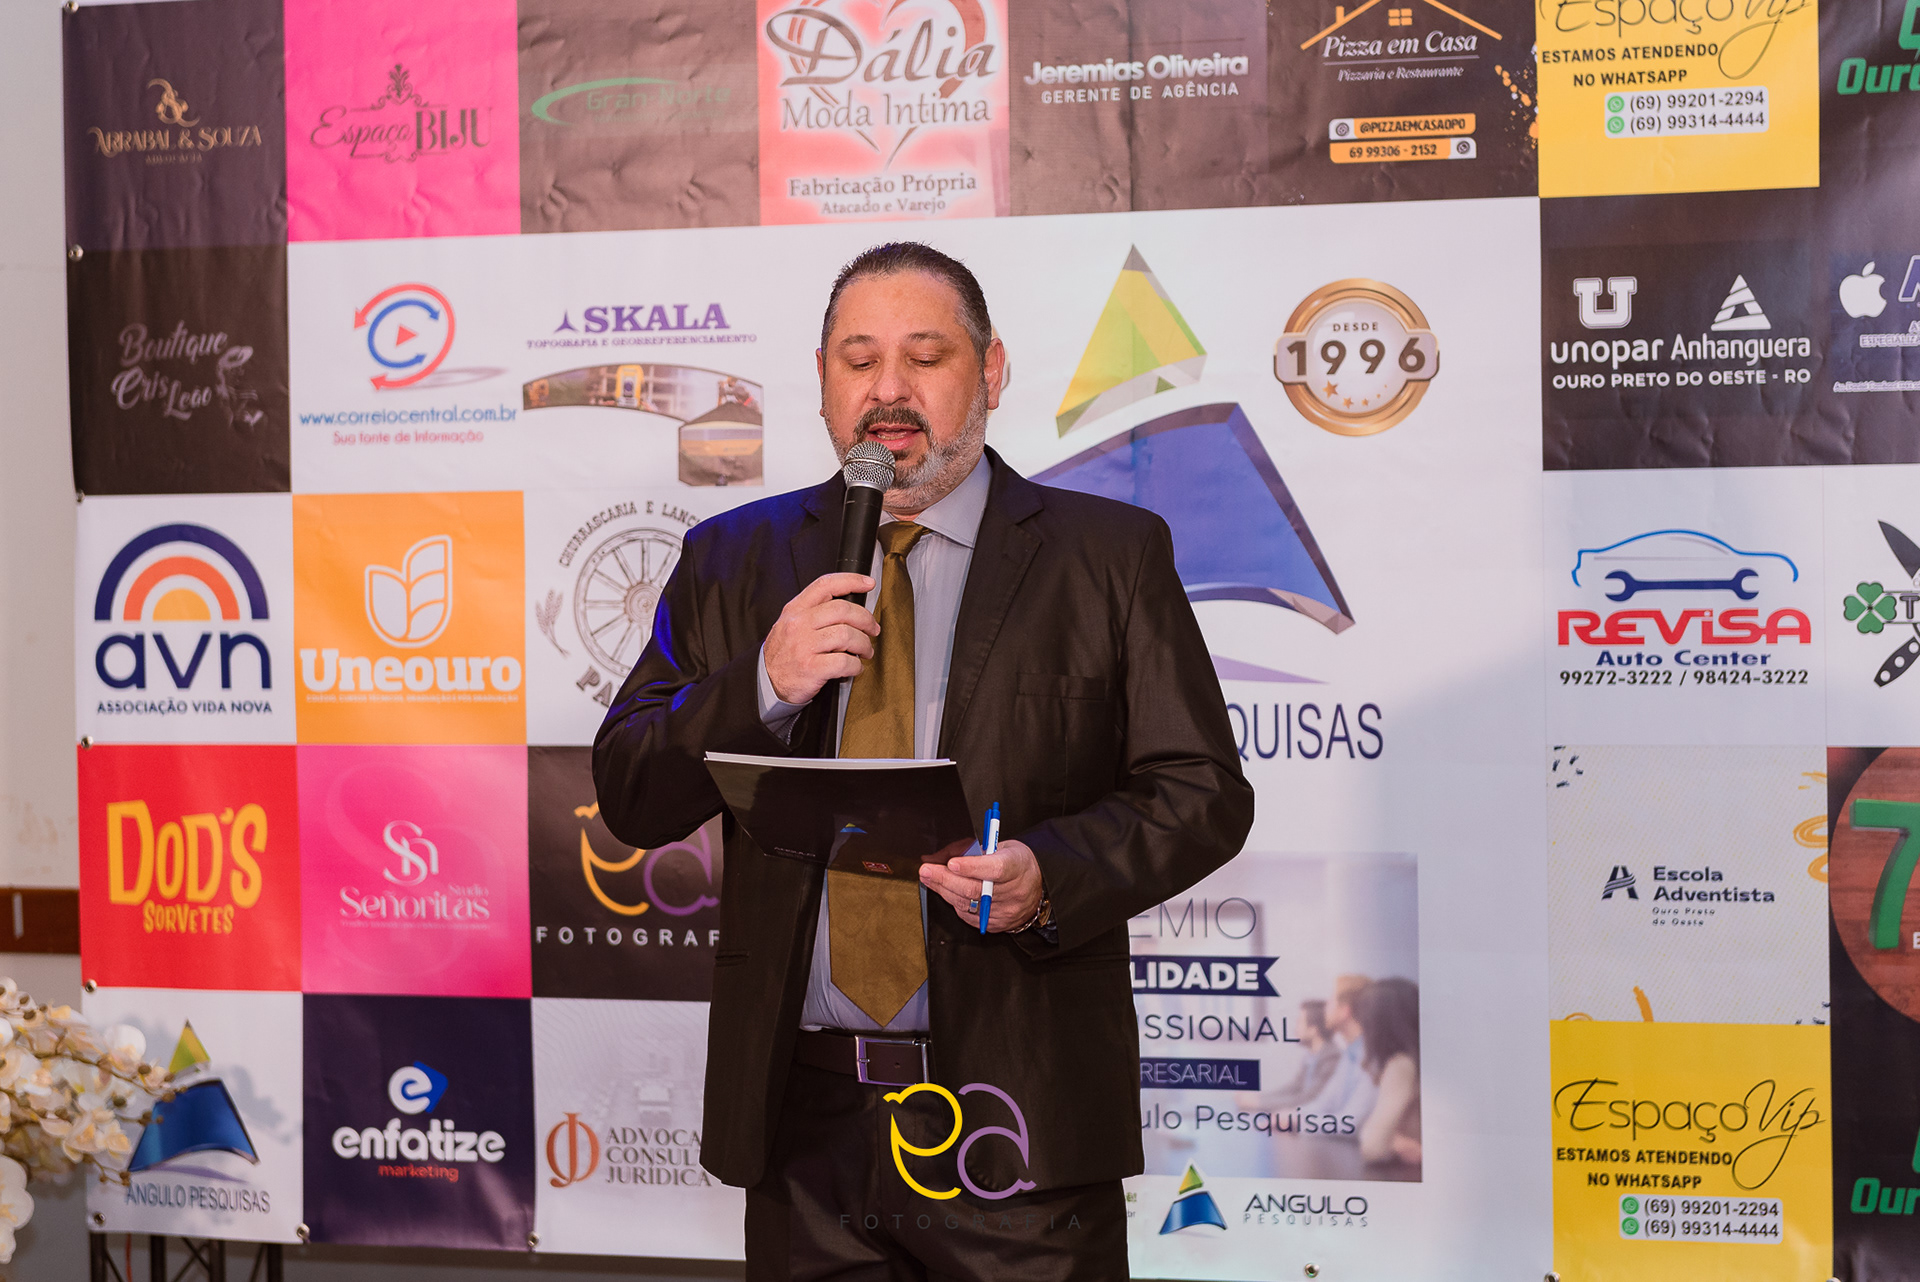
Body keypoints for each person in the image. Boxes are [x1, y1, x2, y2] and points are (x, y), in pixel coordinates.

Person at [593, 241, 1254, 1280]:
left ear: (989, 371)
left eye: (926, 356)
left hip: (1020, 1126)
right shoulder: (732, 559)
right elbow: (632, 791)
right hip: (802, 1133)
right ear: (822, 380)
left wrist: (1049, 877)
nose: (888, 390)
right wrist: (760, 683)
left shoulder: (1107, 556)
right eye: (859, 360)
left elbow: (1201, 792)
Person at [1353, 977, 1422, 1165]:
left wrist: (1389, 1141)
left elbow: (1372, 1146)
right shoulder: (1415, 1061)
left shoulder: (1402, 1066)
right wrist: (1394, 1141)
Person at [1300, 974, 1377, 1129]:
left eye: (1330, 1001)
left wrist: (1296, 1123)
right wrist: (1292, 1117)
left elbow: (1351, 1123)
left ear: (1344, 1011)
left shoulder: (1371, 1057)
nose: (1325, 1008)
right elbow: (1325, 1102)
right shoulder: (1349, 1053)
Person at [1268, 1000, 1341, 1107]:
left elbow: (1309, 1098)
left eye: (1299, 1022)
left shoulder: (1331, 1058)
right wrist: (1259, 1098)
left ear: (1313, 1030)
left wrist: (1259, 1103)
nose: (1295, 1029)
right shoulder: (1311, 1057)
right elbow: (1293, 1088)